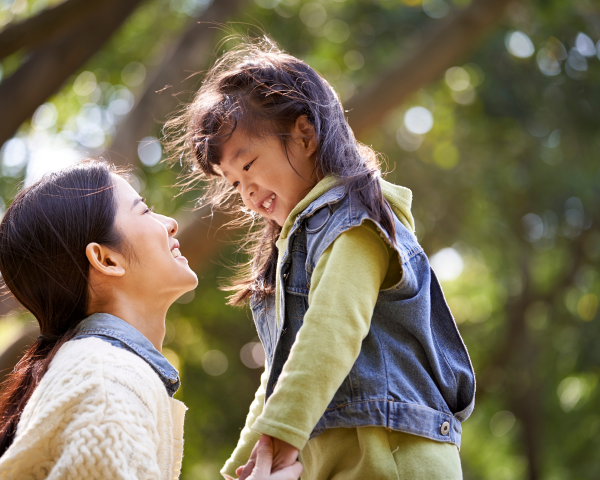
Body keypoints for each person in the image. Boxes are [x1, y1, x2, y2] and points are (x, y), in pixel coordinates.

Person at [167, 38, 476, 480]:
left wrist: (284, 432)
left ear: (305, 135)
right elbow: (281, 371)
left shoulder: (356, 221)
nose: (246, 192)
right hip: (337, 460)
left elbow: (333, 329)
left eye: (249, 164)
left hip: (394, 454)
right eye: (233, 184)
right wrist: (244, 461)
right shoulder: (290, 250)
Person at [0, 160, 303, 480]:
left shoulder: (99, 372)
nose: (170, 222)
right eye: (144, 210)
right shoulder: (107, 381)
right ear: (106, 259)